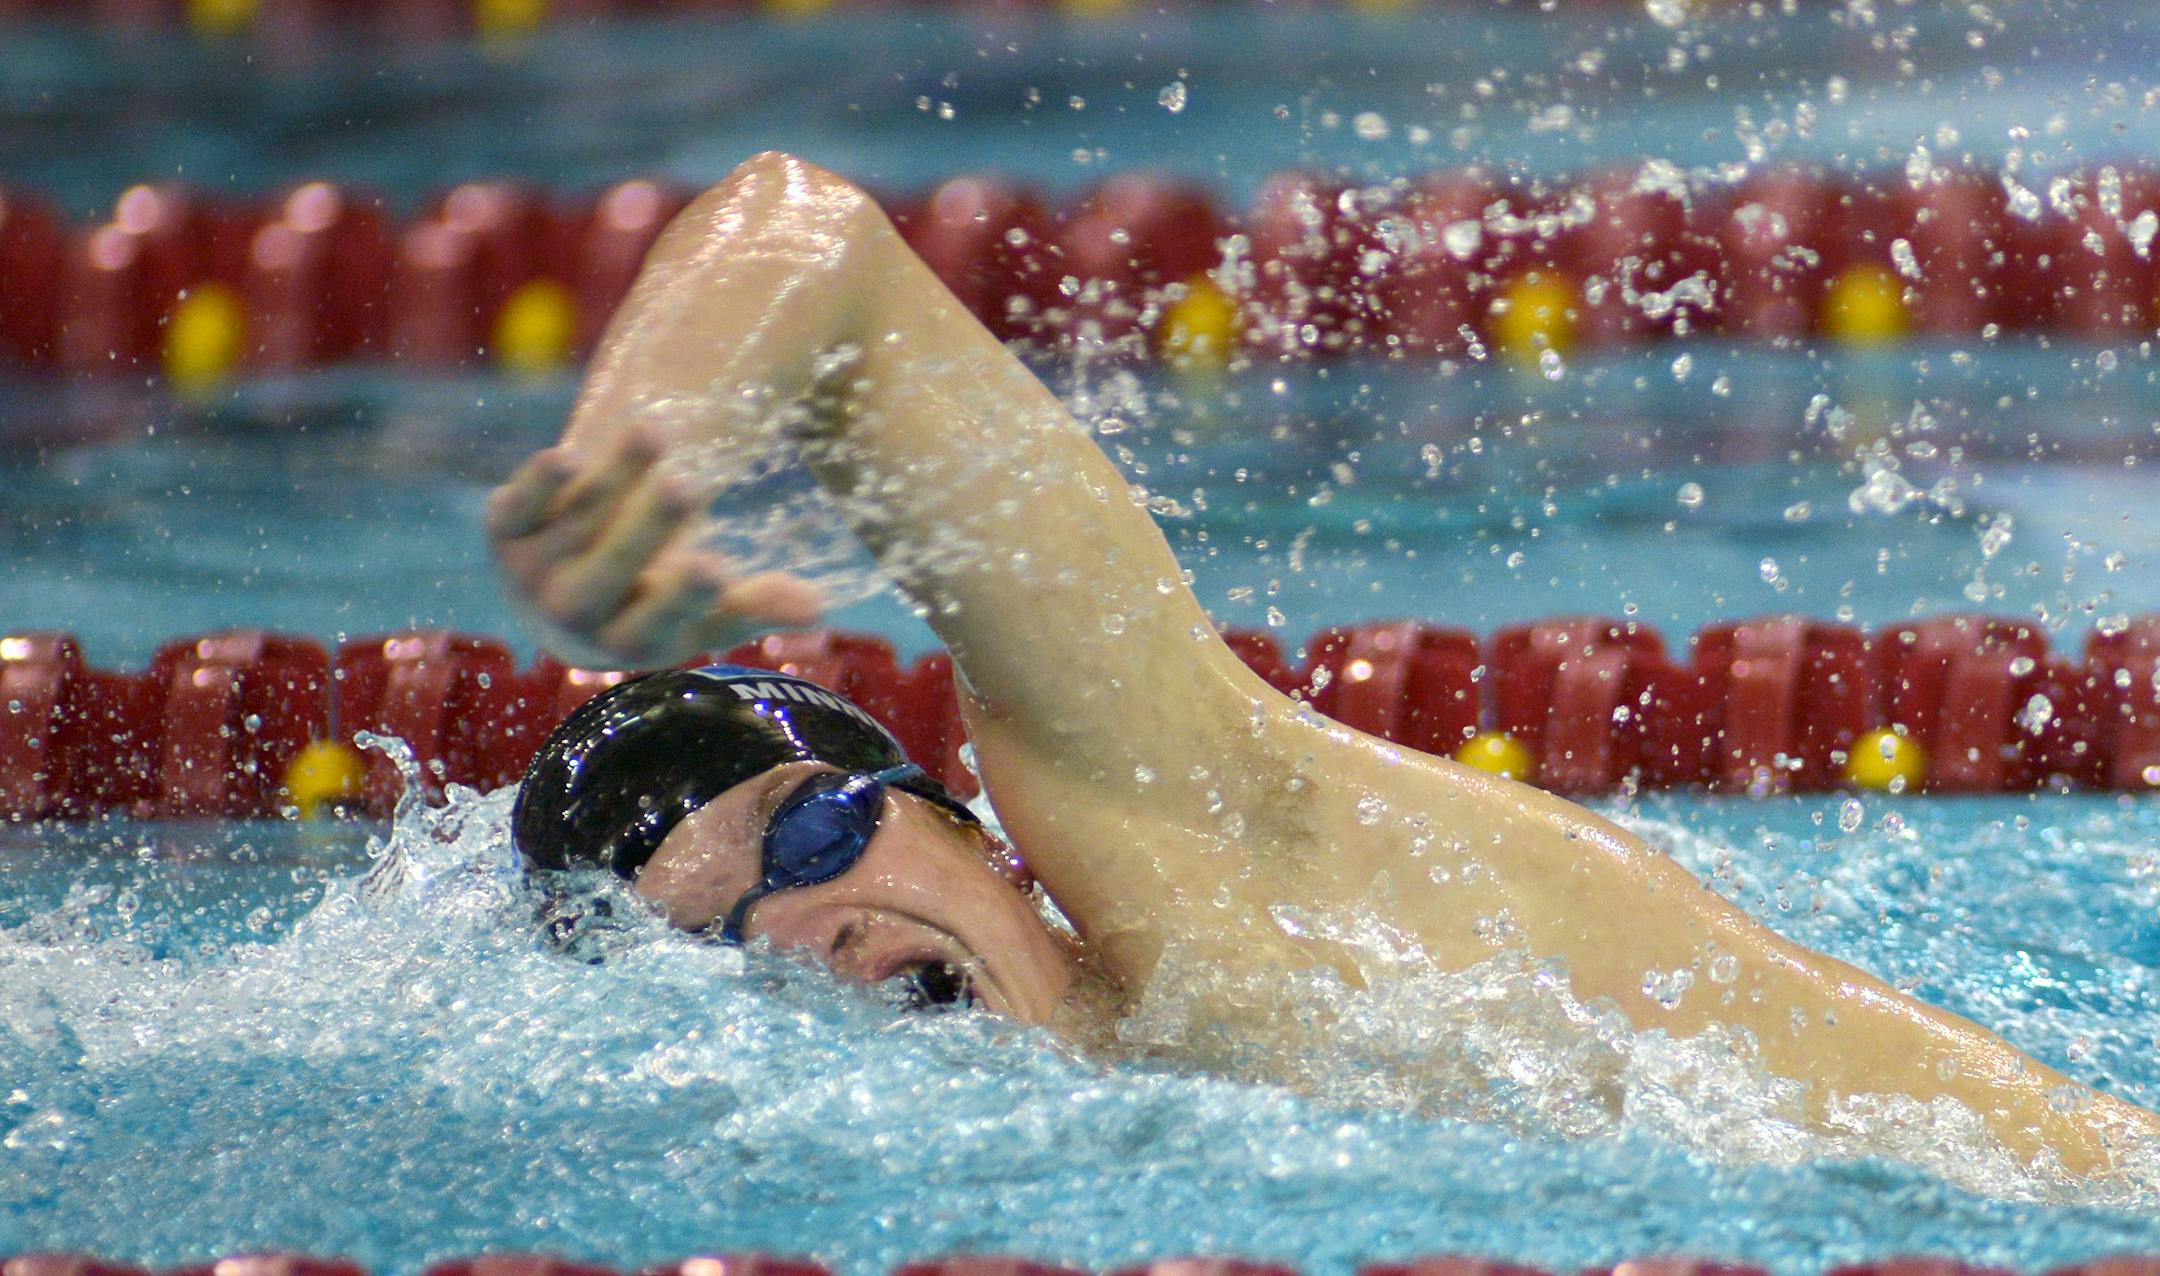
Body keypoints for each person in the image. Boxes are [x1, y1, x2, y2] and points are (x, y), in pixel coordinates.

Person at [490, 151, 2159, 1177]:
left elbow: (819, 242)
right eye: (715, 943)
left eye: (811, 833)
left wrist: (633, 449)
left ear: (966, 819)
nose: (808, 929)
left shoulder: (1224, 872)